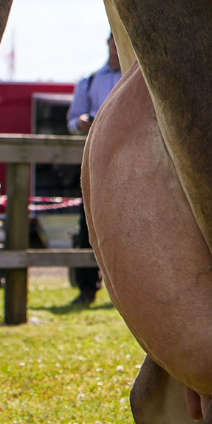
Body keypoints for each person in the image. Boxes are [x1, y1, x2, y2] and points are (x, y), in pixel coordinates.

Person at [67, 35, 123, 305]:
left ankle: (129, 293)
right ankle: (87, 288)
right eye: (113, 42)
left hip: (127, 161)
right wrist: (81, 123)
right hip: (96, 162)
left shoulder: (137, 79)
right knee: (88, 226)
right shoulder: (89, 82)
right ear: (108, 44)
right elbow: (72, 120)